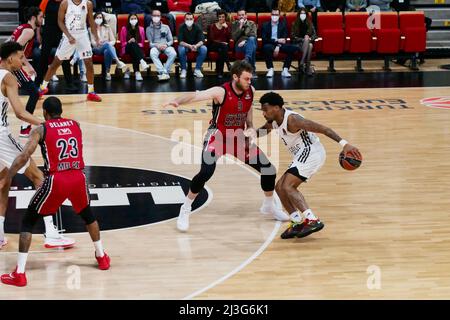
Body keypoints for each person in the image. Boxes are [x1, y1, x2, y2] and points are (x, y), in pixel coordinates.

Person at [163, 60, 290, 232]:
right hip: (217, 137)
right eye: (246, 79)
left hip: (238, 138)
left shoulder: (250, 91)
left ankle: (269, 206)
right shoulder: (220, 91)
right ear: (235, 77)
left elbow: (248, 115)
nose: (249, 82)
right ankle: (185, 209)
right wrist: (176, 101)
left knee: (269, 169)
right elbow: (195, 95)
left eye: (250, 79)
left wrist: (251, 128)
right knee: (205, 172)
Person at [0, 96, 110, 287]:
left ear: (45, 113)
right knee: (88, 216)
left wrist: (9, 175)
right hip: (78, 177)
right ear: (61, 110)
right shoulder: (75, 125)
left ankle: (19, 273)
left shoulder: (41, 130)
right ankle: (101, 257)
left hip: (57, 180)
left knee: (28, 221)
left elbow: (24, 156)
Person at [0, 41, 75, 251]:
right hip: (1, 137)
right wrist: (45, 124)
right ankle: (51, 233)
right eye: (20, 56)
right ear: (9, 58)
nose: (22, 60)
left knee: (4, 182)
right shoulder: (8, 78)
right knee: (39, 179)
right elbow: (20, 112)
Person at [256, 92, 362, 239]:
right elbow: (262, 130)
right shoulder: (274, 121)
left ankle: (312, 219)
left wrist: (345, 144)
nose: (263, 113)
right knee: (279, 187)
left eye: (265, 110)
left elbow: (325, 129)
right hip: (301, 155)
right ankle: (297, 221)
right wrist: (245, 136)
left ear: (276, 108)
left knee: (288, 186)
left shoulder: (293, 120)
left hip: (312, 153)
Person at [38, 0, 102, 102]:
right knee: (56, 63)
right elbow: (60, 21)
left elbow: (91, 21)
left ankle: (91, 92)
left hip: (82, 35)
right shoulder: (65, 3)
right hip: (68, 36)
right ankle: (43, 87)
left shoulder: (88, 3)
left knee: (89, 63)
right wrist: (68, 36)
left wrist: (96, 37)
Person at [7, 7, 43, 138]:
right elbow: (14, 49)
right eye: (40, 17)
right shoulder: (29, 31)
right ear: (33, 17)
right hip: (11, 65)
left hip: (11, 63)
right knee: (34, 92)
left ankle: (25, 126)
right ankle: (25, 127)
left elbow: (15, 49)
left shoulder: (22, 27)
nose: (42, 19)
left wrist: (28, 65)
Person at [36, 0, 75, 92]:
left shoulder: (66, 2)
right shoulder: (45, 1)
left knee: (65, 58)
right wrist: (38, 34)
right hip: (48, 31)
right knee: (44, 57)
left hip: (62, 31)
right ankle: (40, 83)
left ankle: (69, 83)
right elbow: (39, 17)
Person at [261, 8, 300, 78]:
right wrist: (276, 41)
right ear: (271, 15)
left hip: (280, 45)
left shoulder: (283, 25)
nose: (274, 16)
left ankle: (285, 69)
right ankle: (270, 69)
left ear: (279, 15)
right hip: (269, 44)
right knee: (266, 47)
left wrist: (278, 46)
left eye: (276, 14)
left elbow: (284, 39)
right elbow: (264, 39)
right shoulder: (265, 25)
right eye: (273, 14)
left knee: (294, 48)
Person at [90, 12, 128, 80]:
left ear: (103, 19)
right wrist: (98, 42)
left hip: (106, 47)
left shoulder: (107, 27)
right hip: (97, 48)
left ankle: (107, 73)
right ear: (94, 19)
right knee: (108, 45)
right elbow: (92, 42)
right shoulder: (91, 29)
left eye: (100, 18)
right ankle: (117, 61)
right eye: (97, 18)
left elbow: (113, 40)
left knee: (107, 51)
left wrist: (107, 44)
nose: (99, 19)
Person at [146, 9, 177, 81]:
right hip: (156, 46)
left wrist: (166, 45)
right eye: (154, 15)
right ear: (151, 16)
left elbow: (171, 40)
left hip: (165, 45)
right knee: (152, 53)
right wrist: (157, 45)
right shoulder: (148, 29)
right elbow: (150, 44)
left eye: (158, 15)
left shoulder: (166, 27)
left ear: (160, 17)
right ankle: (163, 72)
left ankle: (164, 72)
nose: (156, 17)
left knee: (173, 53)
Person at [119, 14, 150, 81]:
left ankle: (136, 72)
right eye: (132, 19)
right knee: (132, 43)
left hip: (137, 48)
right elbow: (122, 43)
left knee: (134, 47)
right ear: (129, 20)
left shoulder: (141, 29)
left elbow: (142, 43)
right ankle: (140, 65)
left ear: (137, 20)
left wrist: (136, 43)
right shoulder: (124, 29)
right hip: (126, 48)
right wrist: (129, 42)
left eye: (135, 18)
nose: (133, 20)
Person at [177, 12, 207, 79]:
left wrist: (196, 46)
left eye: (190, 19)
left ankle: (197, 69)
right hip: (185, 46)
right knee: (181, 49)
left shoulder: (198, 27)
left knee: (204, 49)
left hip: (196, 46)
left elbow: (202, 40)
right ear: (184, 19)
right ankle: (183, 70)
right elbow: (180, 42)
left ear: (193, 19)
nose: (189, 20)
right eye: (187, 19)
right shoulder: (181, 27)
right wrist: (189, 46)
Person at [231, 10, 257, 78]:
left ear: (246, 15)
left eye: (243, 15)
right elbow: (234, 37)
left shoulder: (252, 23)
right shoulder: (234, 24)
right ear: (237, 16)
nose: (241, 16)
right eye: (239, 15)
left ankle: (246, 59)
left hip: (249, 42)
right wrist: (240, 26)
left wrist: (245, 41)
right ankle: (253, 70)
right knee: (253, 48)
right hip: (239, 45)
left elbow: (254, 35)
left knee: (251, 40)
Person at [291, 7, 316, 76]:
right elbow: (293, 37)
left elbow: (315, 35)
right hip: (298, 44)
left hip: (307, 43)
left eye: (304, 13)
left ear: (306, 15)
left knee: (310, 44)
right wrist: (303, 39)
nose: (303, 15)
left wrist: (309, 39)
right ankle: (307, 67)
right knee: (309, 44)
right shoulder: (294, 24)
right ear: (299, 15)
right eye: (301, 13)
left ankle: (303, 62)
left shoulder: (310, 23)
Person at [207, 9, 231, 78]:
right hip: (213, 45)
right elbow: (211, 39)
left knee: (221, 50)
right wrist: (222, 42)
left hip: (224, 47)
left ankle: (220, 72)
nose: (221, 18)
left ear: (225, 17)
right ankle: (228, 63)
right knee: (223, 46)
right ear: (217, 17)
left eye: (223, 17)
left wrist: (226, 28)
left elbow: (230, 37)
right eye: (220, 17)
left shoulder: (228, 25)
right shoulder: (212, 26)